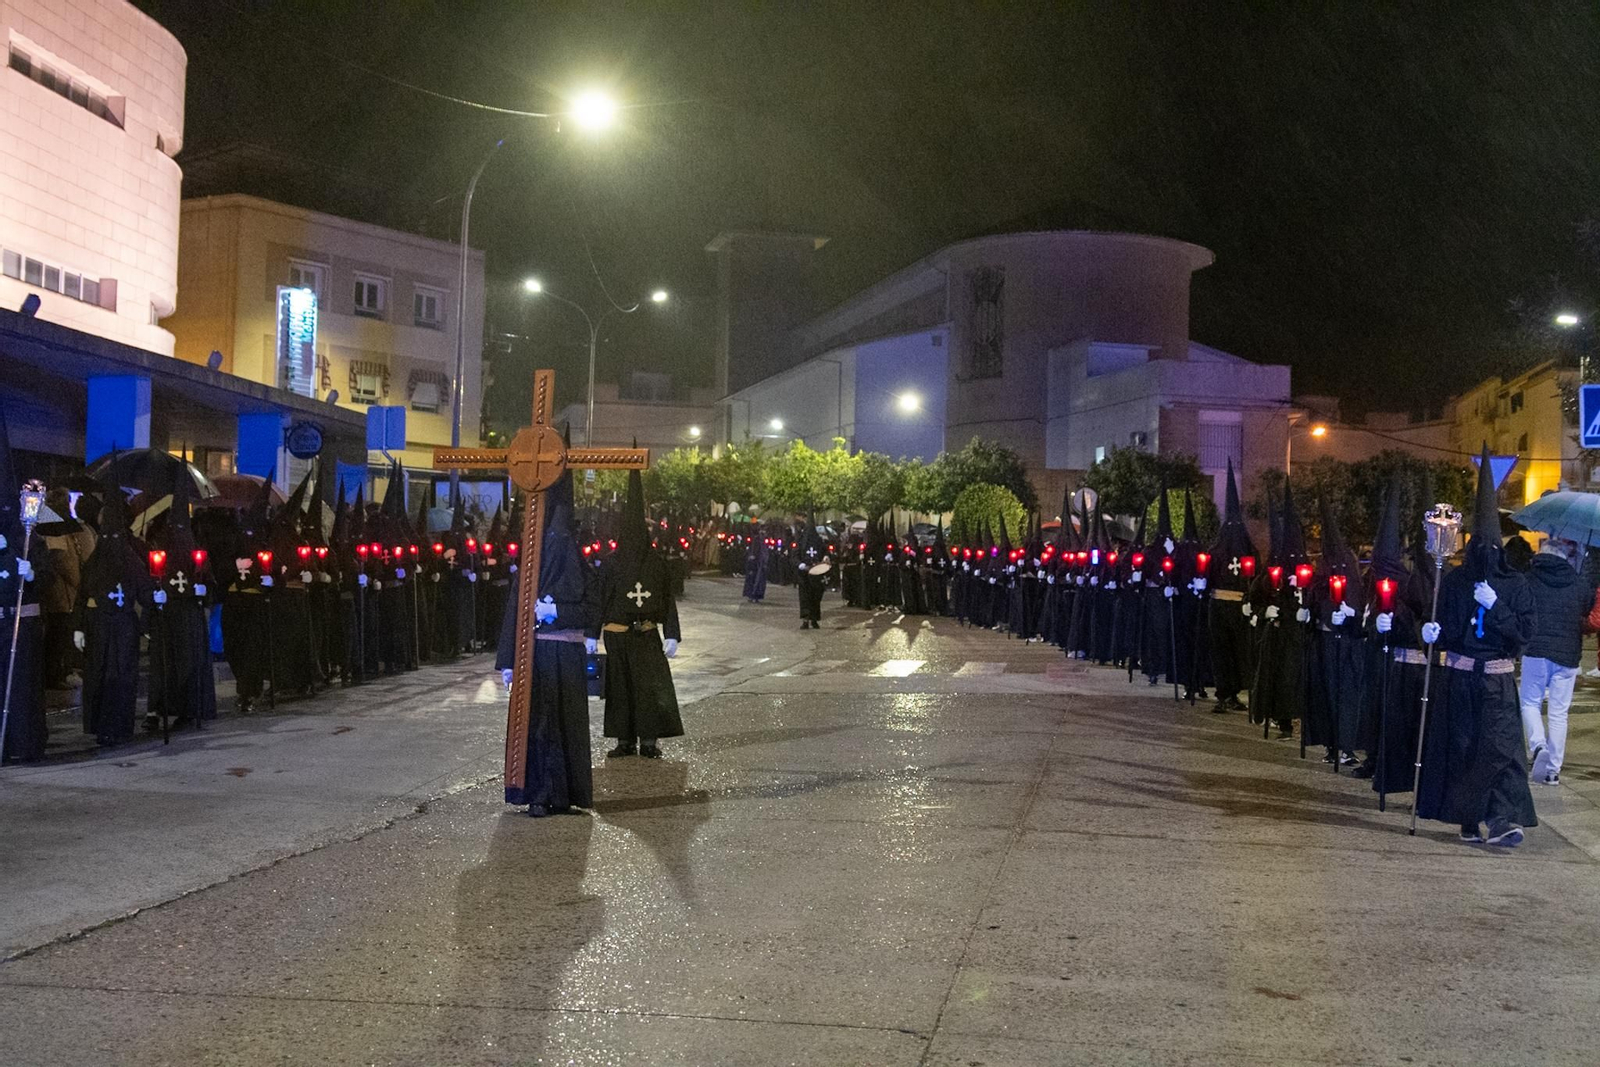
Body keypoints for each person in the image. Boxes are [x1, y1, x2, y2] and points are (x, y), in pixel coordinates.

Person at [1422, 444, 1537, 847]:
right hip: (1459, 680)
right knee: (1465, 749)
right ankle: (1469, 818)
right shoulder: (1454, 582)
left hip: (1497, 681)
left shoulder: (1515, 585)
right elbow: (1446, 628)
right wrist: (1432, 632)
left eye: (1493, 546)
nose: (1486, 553)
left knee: (1502, 750)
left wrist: (1498, 606)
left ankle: (1503, 818)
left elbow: (1525, 633)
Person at [496, 467, 596, 816]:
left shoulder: (578, 565)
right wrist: (508, 661)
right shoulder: (530, 566)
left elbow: (592, 608)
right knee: (536, 724)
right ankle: (537, 792)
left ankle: (564, 793)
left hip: (565, 653)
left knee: (564, 725)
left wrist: (559, 612)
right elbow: (514, 608)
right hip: (534, 654)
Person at [590, 468, 682, 759]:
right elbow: (599, 599)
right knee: (619, 690)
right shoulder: (611, 565)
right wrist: (591, 633)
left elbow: (667, 600)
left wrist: (672, 635)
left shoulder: (655, 564)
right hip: (617, 635)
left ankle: (650, 741)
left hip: (645, 634)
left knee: (649, 690)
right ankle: (624, 741)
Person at [1517, 534, 1590, 787]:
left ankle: (1538, 746)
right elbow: (1587, 607)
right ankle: (1553, 770)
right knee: (1559, 713)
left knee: (1529, 702)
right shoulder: (1577, 581)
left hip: (1535, 650)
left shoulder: (1528, 580)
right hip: (1567, 654)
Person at [1207, 460, 1256, 713]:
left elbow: (1257, 576)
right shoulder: (1217, 552)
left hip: (1237, 607)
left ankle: (1234, 693)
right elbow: (1206, 578)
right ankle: (1224, 693)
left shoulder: (1247, 551)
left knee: (1238, 653)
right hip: (1221, 606)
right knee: (1222, 652)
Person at [795, 512, 829, 629]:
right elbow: (795, 556)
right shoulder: (800, 541)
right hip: (804, 574)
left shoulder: (819, 541)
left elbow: (825, 552)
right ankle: (805, 619)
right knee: (805, 597)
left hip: (816, 573)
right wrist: (801, 565)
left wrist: (826, 557)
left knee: (816, 597)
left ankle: (814, 619)